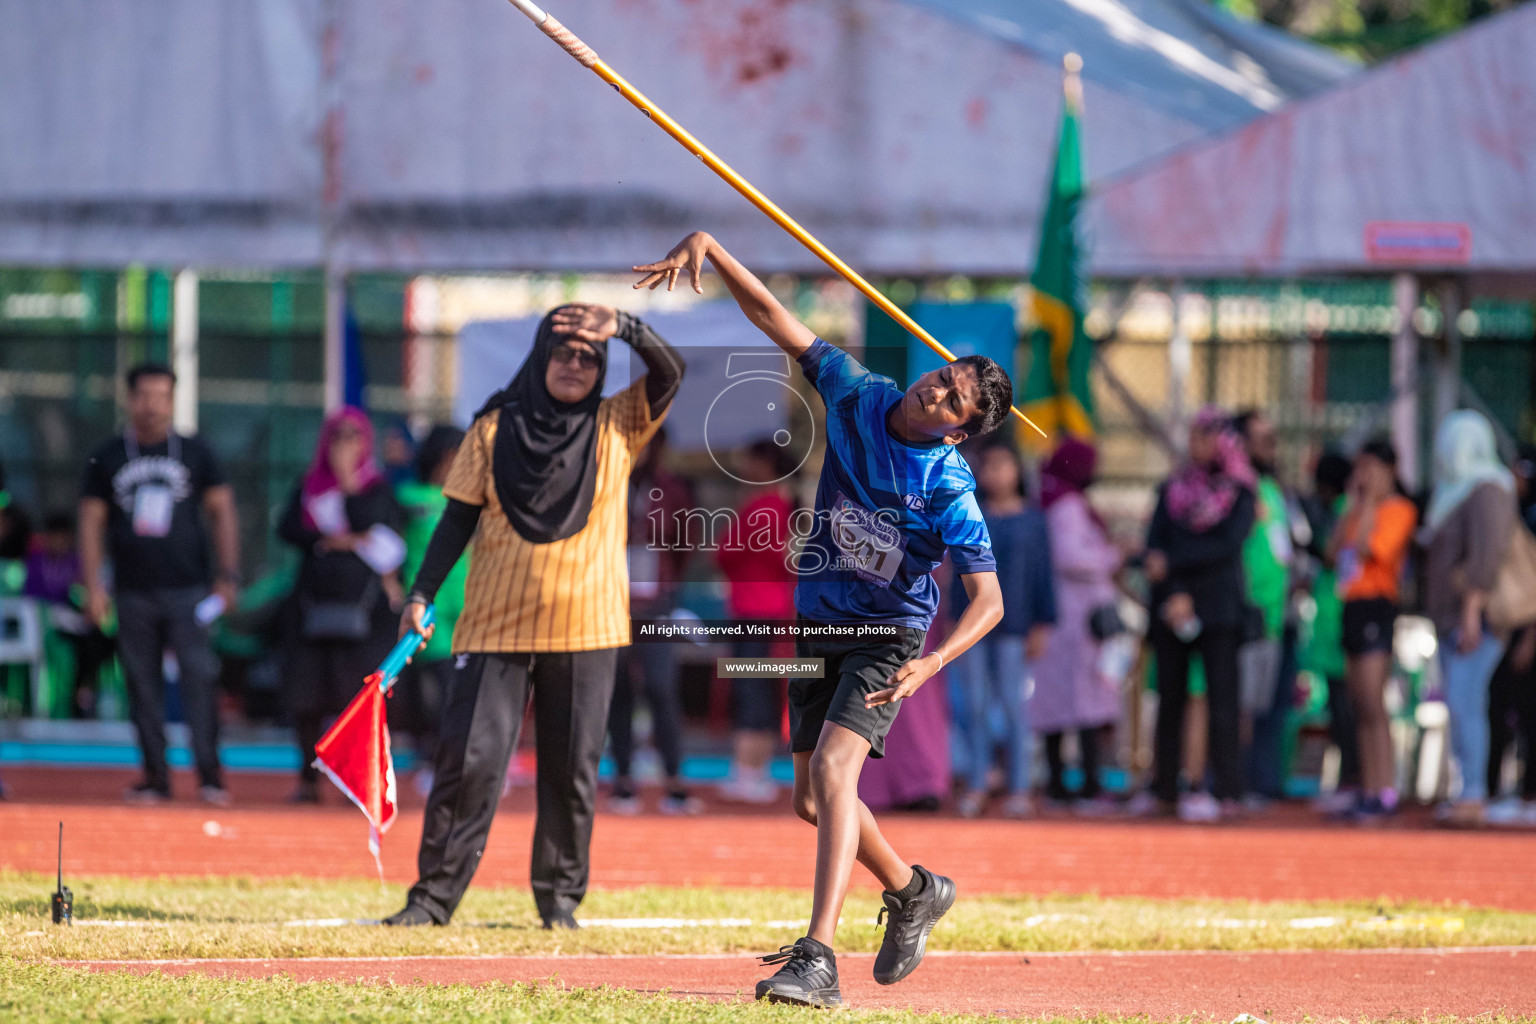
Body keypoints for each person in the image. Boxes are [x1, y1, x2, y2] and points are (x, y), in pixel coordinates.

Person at [635, 231, 1009, 1008]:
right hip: (819, 624)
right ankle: (912, 889)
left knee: (837, 775)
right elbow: (774, 316)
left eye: (952, 401)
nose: (934, 393)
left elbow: (990, 600)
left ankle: (819, 959)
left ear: (960, 429)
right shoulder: (858, 392)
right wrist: (713, 246)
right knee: (810, 799)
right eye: (939, 377)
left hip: (890, 637)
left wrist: (934, 661)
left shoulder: (948, 487)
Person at [386, 302, 683, 930]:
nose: (575, 364)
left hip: (589, 628)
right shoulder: (493, 428)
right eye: (564, 352)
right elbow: (456, 519)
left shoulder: (618, 423)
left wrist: (625, 328)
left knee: (571, 771)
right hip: (494, 624)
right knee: (468, 764)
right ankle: (432, 899)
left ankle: (559, 902)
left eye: (588, 357)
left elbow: (669, 372)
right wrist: (421, 594)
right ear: (541, 356)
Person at [79, 363, 241, 806]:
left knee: (199, 680)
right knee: (141, 684)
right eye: (144, 395)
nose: (152, 405)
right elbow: (91, 521)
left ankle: (210, 775)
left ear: (172, 401)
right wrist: (94, 584)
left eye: (161, 396)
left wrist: (229, 574)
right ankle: (155, 777)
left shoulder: (196, 453)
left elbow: (222, 510)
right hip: (132, 591)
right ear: (129, 400)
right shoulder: (109, 455)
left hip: (189, 590)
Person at [277, 407, 406, 804]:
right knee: (306, 698)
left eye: (354, 437)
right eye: (338, 437)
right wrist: (335, 538)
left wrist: (348, 484)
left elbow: (374, 523)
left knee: (360, 701)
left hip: (365, 614)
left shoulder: (376, 489)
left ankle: (361, 781)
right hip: (312, 609)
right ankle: (308, 778)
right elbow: (289, 529)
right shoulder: (308, 487)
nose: (345, 445)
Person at [1143, 406, 1256, 823]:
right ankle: (1165, 788)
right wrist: (1174, 590)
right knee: (1169, 699)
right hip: (1173, 608)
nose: (1196, 445)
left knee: (1222, 701)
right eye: (1193, 436)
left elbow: (1225, 546)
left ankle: (1226, 789)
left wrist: (1171, 567)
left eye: (1205, 436)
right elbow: (1154, 546)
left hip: (1219, 608)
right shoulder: (1172, 489)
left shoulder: (1241, 492)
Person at [947, 441, 1055, 818]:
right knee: (973, 707)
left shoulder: (1034, 519)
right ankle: (977, 784)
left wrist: (1043, 624)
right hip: (972, 625)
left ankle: (1019, 787)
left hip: (1016, 626)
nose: (995, 473)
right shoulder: (969, 513)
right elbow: (958, 573)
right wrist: (952, 621)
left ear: (1017, 471)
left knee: (1013, 707)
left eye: (1003, 465)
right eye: (988, 466)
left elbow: (1043, 576)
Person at [1422, 411, 1517, 828]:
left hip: (1474, 618)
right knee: (1458, 705)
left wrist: (1470, 611)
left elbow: (1487, 554)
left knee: (1466, 703)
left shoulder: (1489, 486)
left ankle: (1474, 791)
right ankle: (1466, 789)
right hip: (1450, 617)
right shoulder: (1454, 487)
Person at [608, 427, 699, 815]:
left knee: (661, 688)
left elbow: (686, 540)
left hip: (656, 602)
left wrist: (667, 586)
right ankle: (624, 778)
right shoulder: (608, 485)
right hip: (612, 602)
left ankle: (673, 779)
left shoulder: (671, 488)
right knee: (619, 692)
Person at [1326, 439, 1416, 822]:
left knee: (1373, 702)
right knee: (1357, 703)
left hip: (1377, 607)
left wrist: (1372, 503)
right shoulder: (1354, 509)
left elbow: (1368, 549)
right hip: (1351, 605)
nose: (1362, 477)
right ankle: (1367, 786)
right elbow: (1333, 554)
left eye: (1369, 468)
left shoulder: (1398, 510)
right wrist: (1354, 504)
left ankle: (1385, 788)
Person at [1033, 438, 1120, 809]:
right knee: (1083, 701)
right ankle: (1084, 784)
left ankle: (1063, 782)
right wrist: (1113, 554)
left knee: (1066, 701)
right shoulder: (1066, 506)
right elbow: (1070, 556)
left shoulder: (1057, 500)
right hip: (1075, 620)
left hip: (1071, 619)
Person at [716, 438, 800, 805]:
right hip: (771, 612)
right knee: (763, 690)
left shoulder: (766, 507)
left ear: (765, 463)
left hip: (755, 612)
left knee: (751, 690)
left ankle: (748, 771)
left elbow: (724, 553)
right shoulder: (784, 506)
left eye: (751, 460)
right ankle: (755, 769)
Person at [394, 425, 469, 794]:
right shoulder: (408, 498)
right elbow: (389, 545)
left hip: (471, 611)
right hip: (431, 611)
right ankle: (436, 760)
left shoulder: (473, 499)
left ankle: (465, 765)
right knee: (438, 692)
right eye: (455, 454)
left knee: (469, 692)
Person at [1232, 409, 1297, 803]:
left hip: (1274, 615)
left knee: (1257, 707)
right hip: (1248, 611)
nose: (1271, 447)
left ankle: (1252, 782)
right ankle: (1232, 784)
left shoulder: (1272, 489)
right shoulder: (1237, 488)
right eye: (1263, 439)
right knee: (1238, 705)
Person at [1299, 451, 1360, 812]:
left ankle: (1352, 779)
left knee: (1347, 708)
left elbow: (1333, 556)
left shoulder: (1345, 512)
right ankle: (1347, 779)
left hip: (1340, 623)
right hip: (1331, 622)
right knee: (1340, 707)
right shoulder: (1343, 511)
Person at [1485, 444, 1536, 825]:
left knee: (1527, 713)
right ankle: (1501, 791)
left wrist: (1531, 636)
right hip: (1512, 627)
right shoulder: (1514, 515)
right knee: (1501, 709)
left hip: (1527, 628)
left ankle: (1527, 794)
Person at [24, 513, 115, 718]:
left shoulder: (77, 561)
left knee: (102, 641)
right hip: (48, 627)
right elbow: (32, 600)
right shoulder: (36, 563)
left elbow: (84, 593)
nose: (58, 542)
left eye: (62, 537)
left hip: (79, 625)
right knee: (78, 647)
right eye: (53, 536)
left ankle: (85, 694)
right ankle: (75, 699)